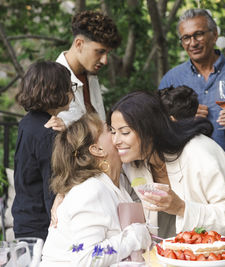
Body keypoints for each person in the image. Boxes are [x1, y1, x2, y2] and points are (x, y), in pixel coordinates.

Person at [108, 91, 225, 267]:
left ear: (151, 131)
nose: (116, 140)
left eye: (124, 132)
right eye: (112, 131)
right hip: (209, 247)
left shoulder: (198, 152)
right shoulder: (134, 163)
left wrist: (180, 207)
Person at [158, 8, 225, 174]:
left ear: (214, 35)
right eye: (186, 37)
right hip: (189, 175)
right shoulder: (171, 79)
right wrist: (183, 123)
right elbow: (157, 127)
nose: (193, 42)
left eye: (199, 34)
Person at [40, 113, 151, 266]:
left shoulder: (116, 183)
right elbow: (87, 258)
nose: (116, 136)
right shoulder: (89, 191)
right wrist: (135, 238)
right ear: (97, 149)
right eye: (110, 130)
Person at [12, 61, 73, 240]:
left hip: (25, 217)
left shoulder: (28, 123)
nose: (72, 93)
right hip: (42, 226)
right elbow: (53, 187)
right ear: (56, 91)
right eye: (70, 87)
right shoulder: (48, 133)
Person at [55, 10, 121, 127]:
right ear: (79, 44)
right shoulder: (51, 82)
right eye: (100, 52)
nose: (104, 61)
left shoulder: (90, 75)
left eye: (107, 53)